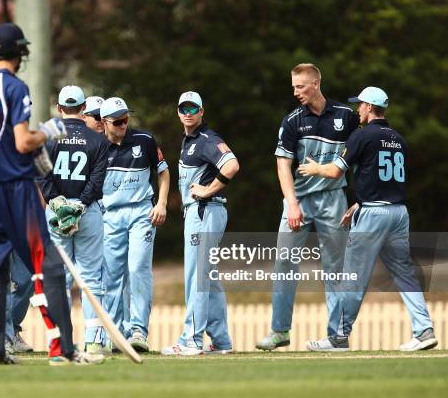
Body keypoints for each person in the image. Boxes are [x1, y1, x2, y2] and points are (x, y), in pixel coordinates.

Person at [0, 22, 102, 365]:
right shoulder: (15, 87)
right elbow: (25, 140)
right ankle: (63, 351)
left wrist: (9, 150)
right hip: (16, 189)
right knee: (48, 264)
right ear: (19, 53)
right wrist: (46, 133)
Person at [298, 86, 438, 351]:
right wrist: (358, 203)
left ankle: (338, 337)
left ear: (370, 107)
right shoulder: (399, 139)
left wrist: (315, 168)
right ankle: (424, 330)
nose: (357, 110)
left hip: (373, 216)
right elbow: (382, 177)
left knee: (352, 275)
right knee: (404, 273)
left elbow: (335, 172)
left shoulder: (362, 136)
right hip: (398, 213)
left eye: (360, 105)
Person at [256, 63, 359, 351]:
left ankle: (337, 336)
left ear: (316, 84)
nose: (295, 92)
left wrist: (360, 198)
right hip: (299, 201)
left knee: (335, 269)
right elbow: (282, 165)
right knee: (284, 264)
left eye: (300, 86)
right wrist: (291, 203)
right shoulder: (292, 121)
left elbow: (361, 158)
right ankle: (279, 331)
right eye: (293, 87)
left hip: (333, 200)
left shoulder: (346, 117)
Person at [161, 91, 239, 355]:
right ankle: (221, 340)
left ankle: (191, 340)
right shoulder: (189, 141)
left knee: (197, 278)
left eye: (193, 108)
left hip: (205, 210)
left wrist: (208, 190)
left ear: (202, 111)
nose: (188, 113)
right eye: (183, 108)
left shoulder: (207, 139)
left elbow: (231, 165)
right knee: (209, 278)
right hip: (200, 212)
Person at [38, 85, 109, 353]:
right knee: (91, 277)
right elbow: (97, 180)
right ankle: (93, 342)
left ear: (59, 108)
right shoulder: (98, 140)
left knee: (59, 278)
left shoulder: (47, 138)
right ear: (83, 109)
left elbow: (41, 173)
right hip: (88, 213)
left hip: (55, 214)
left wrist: (56, 201)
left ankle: (59, 339)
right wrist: (80, 204)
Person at [100, 97, 169, 352]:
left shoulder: (145, 140)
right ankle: (115, 333)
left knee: (138, 267)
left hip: (142, 211)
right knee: (113, 275)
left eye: (126, 119)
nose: (123, 124)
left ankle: (138, 330)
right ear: (105, 123)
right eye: (117, 121)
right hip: (110, 215)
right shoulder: (97, 148)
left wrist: (161, 203)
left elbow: (163, 172)